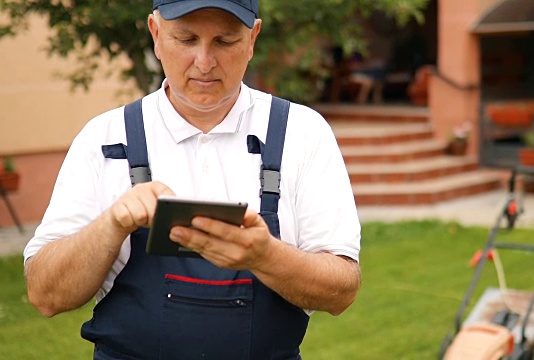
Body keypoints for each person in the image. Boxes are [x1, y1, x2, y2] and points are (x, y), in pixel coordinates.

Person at [23, 0, 362, 359]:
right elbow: (45, 295)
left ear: (253, 39)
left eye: (225, 41)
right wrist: (113, 223)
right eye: (186, 40)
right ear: (155, 33)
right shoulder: (104, 139)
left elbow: (341, 291)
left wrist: (267, 256)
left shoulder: (302, 134)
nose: (204, 62)